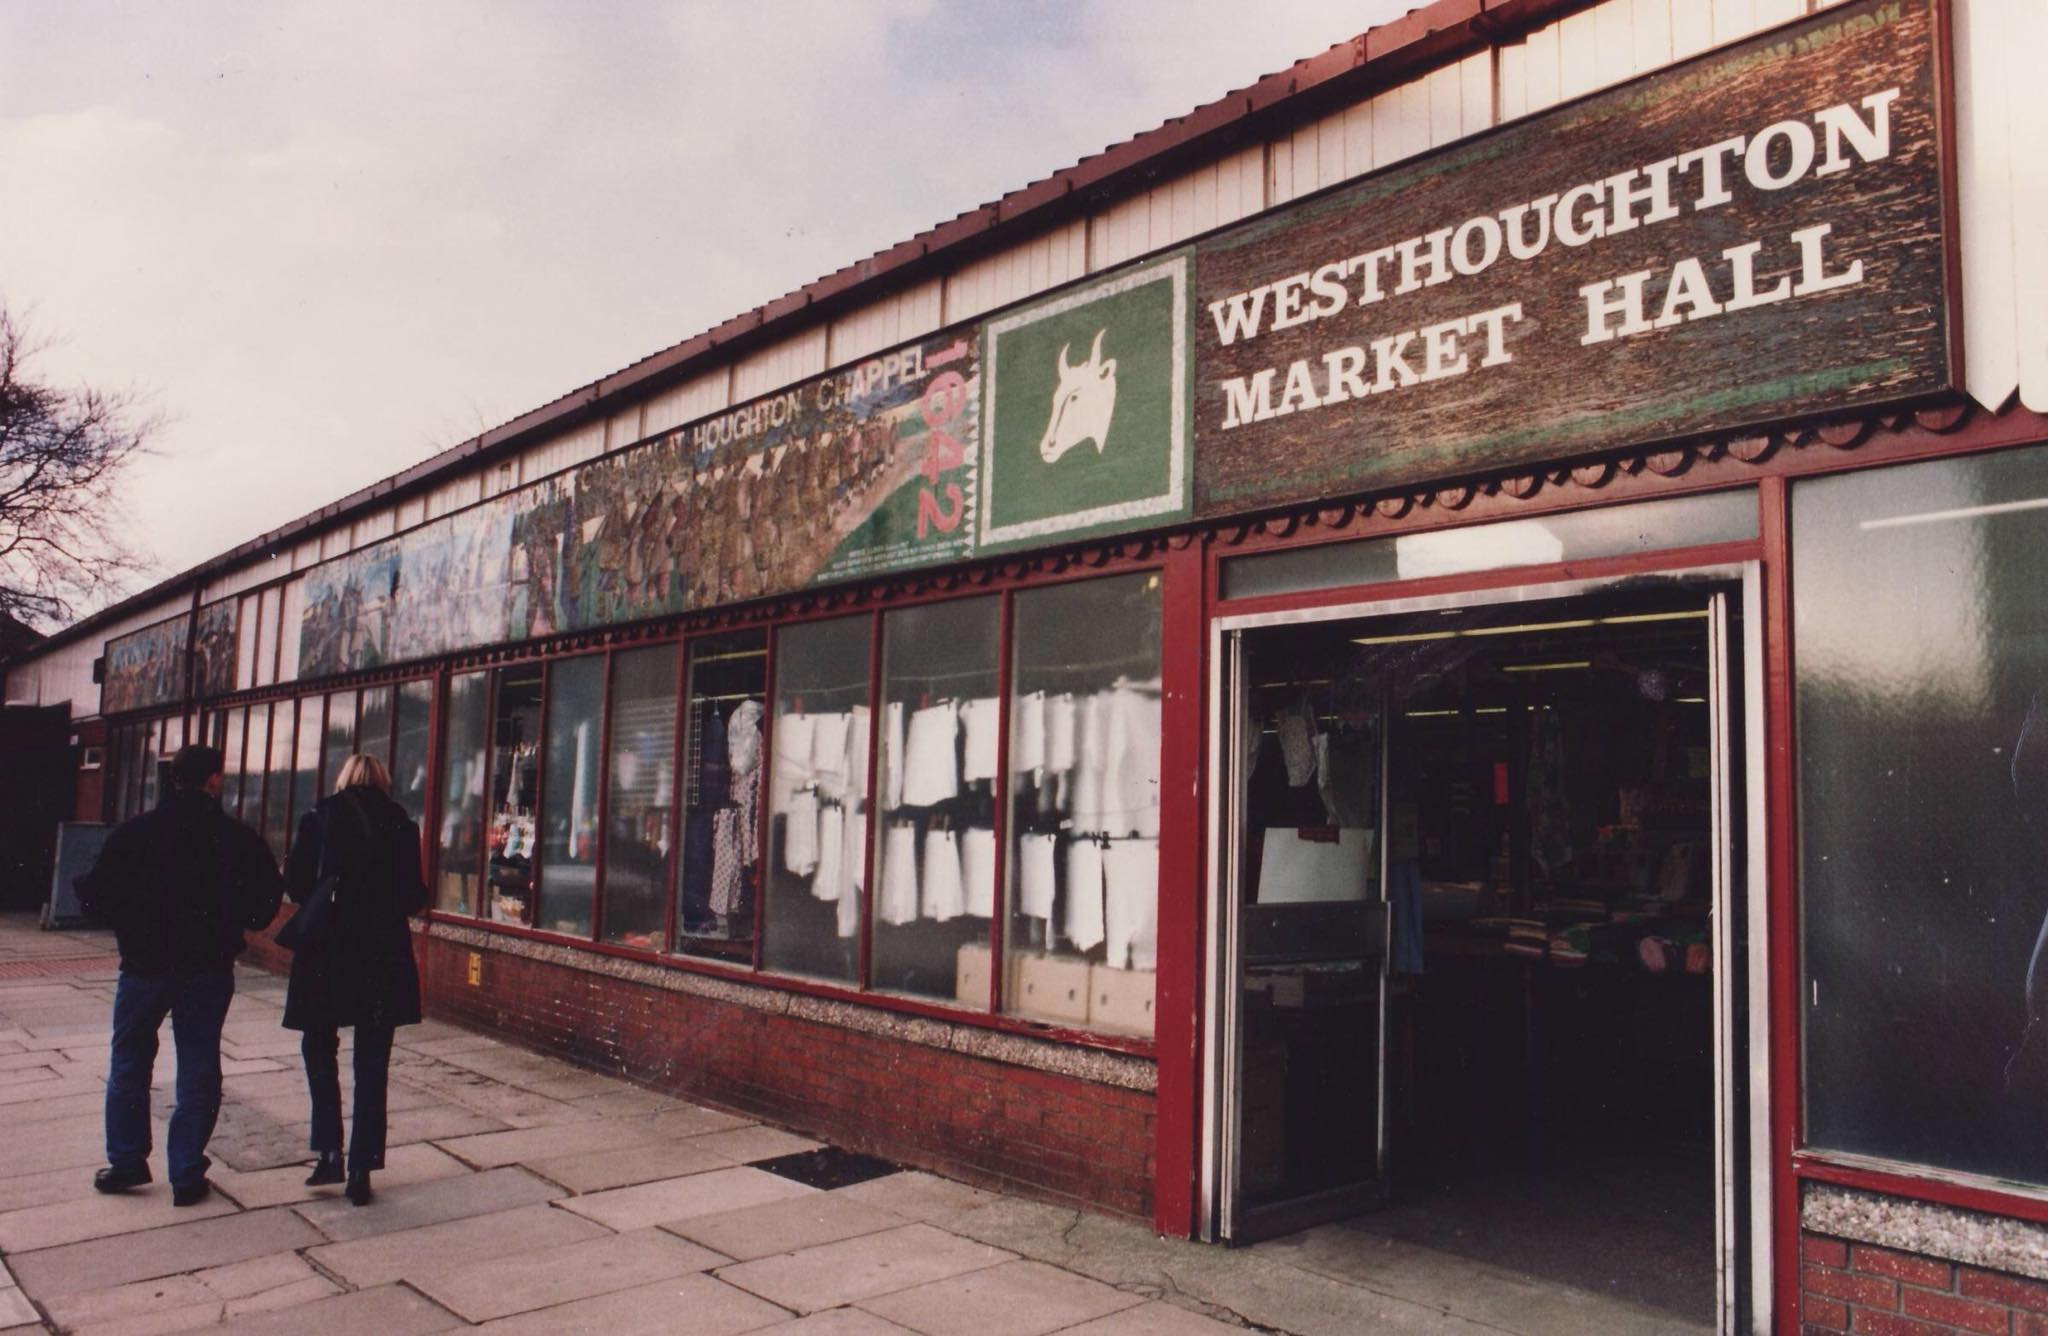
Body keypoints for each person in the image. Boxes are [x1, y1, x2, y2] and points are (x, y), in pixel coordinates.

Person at [76, 744, 285, 1207]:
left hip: (144, 966)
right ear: (214, 779)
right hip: (207, 968)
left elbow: (92, 897)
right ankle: (187, 1170)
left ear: (174, 779)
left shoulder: (134, 833)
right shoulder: (237, 838)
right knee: (198, 1062)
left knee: (130, 1059)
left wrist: (133, 922)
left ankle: (127, 1160)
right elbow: (264, 907)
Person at [282, 753, 427, 1205]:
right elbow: (413, 895)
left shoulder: (320, 816)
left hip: (326, 950)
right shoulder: (402, 823)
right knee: (372, 1061)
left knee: (318, 1046)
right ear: (383, 781)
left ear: (344, 779)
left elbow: (296, 884)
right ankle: (362, 1167)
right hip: (381, 952)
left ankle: (329, 1151)